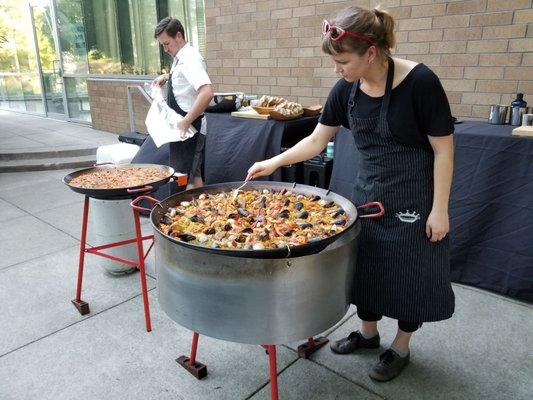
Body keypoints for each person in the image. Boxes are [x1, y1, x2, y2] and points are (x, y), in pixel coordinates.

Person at [246, 6, 455, 382]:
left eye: (343, 61)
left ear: (371, 52)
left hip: (414, 198)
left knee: (411, 276)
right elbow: (316, 139)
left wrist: (440, 209)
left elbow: (444, 149)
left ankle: (401, 347)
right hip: (367, 194)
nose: (337, 69)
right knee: (366, 270)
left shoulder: (421, 83)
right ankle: (369, 335)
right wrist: (273, 162)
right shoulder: (346, 89)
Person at [132, 17, 213, 190]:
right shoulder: (180, 57)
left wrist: (186, 121)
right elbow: (186, 79)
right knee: (193, 175)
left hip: (192, 130)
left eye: (167, 43)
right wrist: (167, 77)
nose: (165, 49)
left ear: (179, 36)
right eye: (162, 45)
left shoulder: (190, 59)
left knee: (184, 179)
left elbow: (206, 93)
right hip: (184, 132)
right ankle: (197, 210)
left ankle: (186, 213)